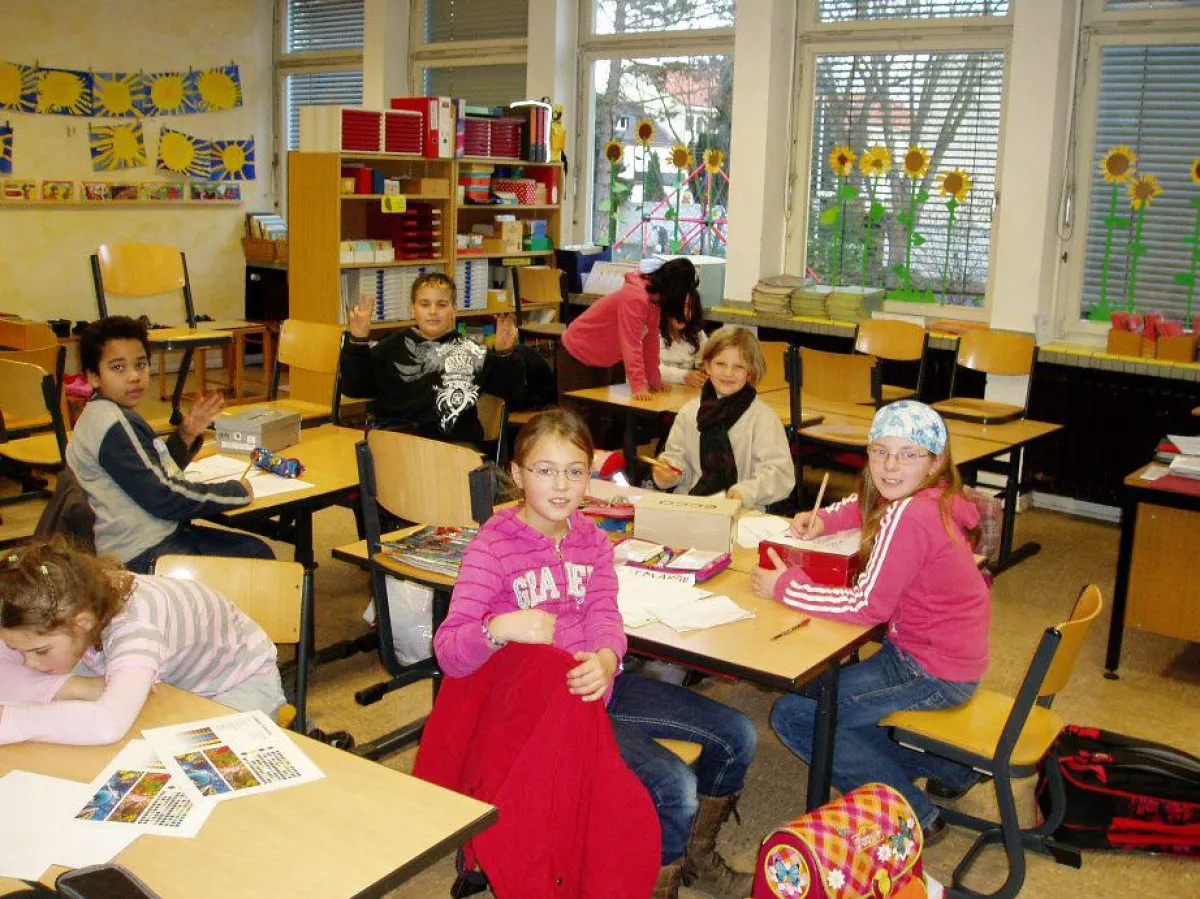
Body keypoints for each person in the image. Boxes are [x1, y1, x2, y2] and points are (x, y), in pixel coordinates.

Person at [434, 408, 757, 898]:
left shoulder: (591, 538)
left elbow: (606, 613)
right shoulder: (491, 547)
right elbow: (450, 653)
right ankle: (654, 880)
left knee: (738, 733)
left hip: (600, 682)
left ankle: (696, 856)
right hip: (544, 710)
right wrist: (498, 628)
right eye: (545, 471)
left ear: (591, 476)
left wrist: (607, 658)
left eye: (575, 471)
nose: (562, 486)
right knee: (675, 786)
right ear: (519, 475)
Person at [751, 400, 990, 844]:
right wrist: (825, 520)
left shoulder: (910, 515)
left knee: (800, 713)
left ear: (936, 461)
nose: (890, 465)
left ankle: (911, 811)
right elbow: (866, 504)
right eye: (880, 451)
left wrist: (785, 587)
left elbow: (866, 607)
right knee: (823, 694)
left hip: (928, 669)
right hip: (953, 658)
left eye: (908, 454)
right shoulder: (934, 497)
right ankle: (949, 765)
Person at [0, 537, 286, 746]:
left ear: (82, 622)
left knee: (197, 763)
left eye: (40, 651)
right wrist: (73, 686)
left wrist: (11, 721)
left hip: (234, 683)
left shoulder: (136, 627)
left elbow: (106, 724)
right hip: (164, 681)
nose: (29, 663)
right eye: (18, 650)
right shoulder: (65, 607)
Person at [66, 316, 271, 574]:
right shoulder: (113, 423)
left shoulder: (101, 414)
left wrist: (187, 434)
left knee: (252, 551)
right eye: (118, 368)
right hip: (146, 554)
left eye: (140, 365)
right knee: (257, 557)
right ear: (93, 376)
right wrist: (234, 492)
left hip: (144, 542)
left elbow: (147, 472)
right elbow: (163, 497)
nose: (134, 377)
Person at [339, 271, 524, 448]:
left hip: (454, 447)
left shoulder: (472, 352)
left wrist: (504, 353)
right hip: (396, 443)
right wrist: (357, 341)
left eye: (442, 305)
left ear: (454, 310)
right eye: (424, 304)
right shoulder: (391, 347)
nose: (433, 311)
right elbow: (355, 388)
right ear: (412, 309)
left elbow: (510, 390)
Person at [650, 326, 794, 511]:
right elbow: (677, 457)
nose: (728, 373)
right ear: (708, 366)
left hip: (742, 513)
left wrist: (746, 492)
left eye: (738, 367)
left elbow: (780, 474)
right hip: (690, 505)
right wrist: (669, 471)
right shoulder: (689, 412)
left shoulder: (763, 419)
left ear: (749, 372)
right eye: (720, 364)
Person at [561, 257, 700, 400]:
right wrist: (638, 386)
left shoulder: (655, 300)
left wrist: (654, 380)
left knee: (601, 416)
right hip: (578, 352)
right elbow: (631, 343)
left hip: (602, 359)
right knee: (575, 415)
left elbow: (650, 342)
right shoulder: (636, 298)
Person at [659, 289, 708, 387]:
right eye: (680, 306)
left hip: (685, 394)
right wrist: (683, 376)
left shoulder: (698, 335)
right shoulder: (652, 332)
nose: (685, 313)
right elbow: (649, 369)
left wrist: (704, 374)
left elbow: (705, 364)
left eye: (689, 307)